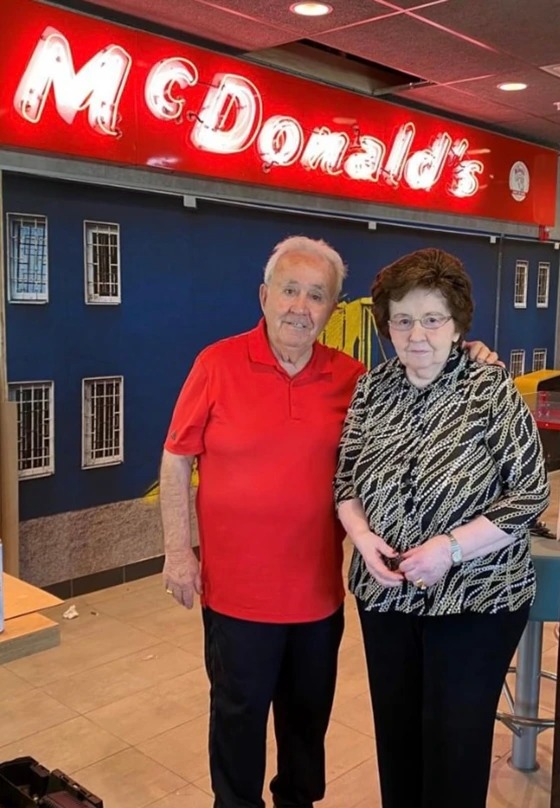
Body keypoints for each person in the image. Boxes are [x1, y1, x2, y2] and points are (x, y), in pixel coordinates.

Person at [160, 236, 498, 808]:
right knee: (237, 722)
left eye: (317, 296)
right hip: (237, 596)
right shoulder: (215, 364)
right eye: (289, 290)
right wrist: (177, 551)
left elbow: (422, 374)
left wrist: (469, 353)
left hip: (318, 597)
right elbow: (176, 457)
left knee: (306, 726)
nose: (300, 306)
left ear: (331, 309)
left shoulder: (354, 378)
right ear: (264, 296)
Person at [334, 247, 549, 808]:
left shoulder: (489, 388)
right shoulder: (371, 390)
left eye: (432, 319)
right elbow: (345, 484)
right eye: (402, 320)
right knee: (399, 740)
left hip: (477, 601)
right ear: (387, 325)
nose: (417, 335)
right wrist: (361, 537)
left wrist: (450, 550)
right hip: (386, 597)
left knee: (454, 746)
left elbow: (529, 494)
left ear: (457, 324)